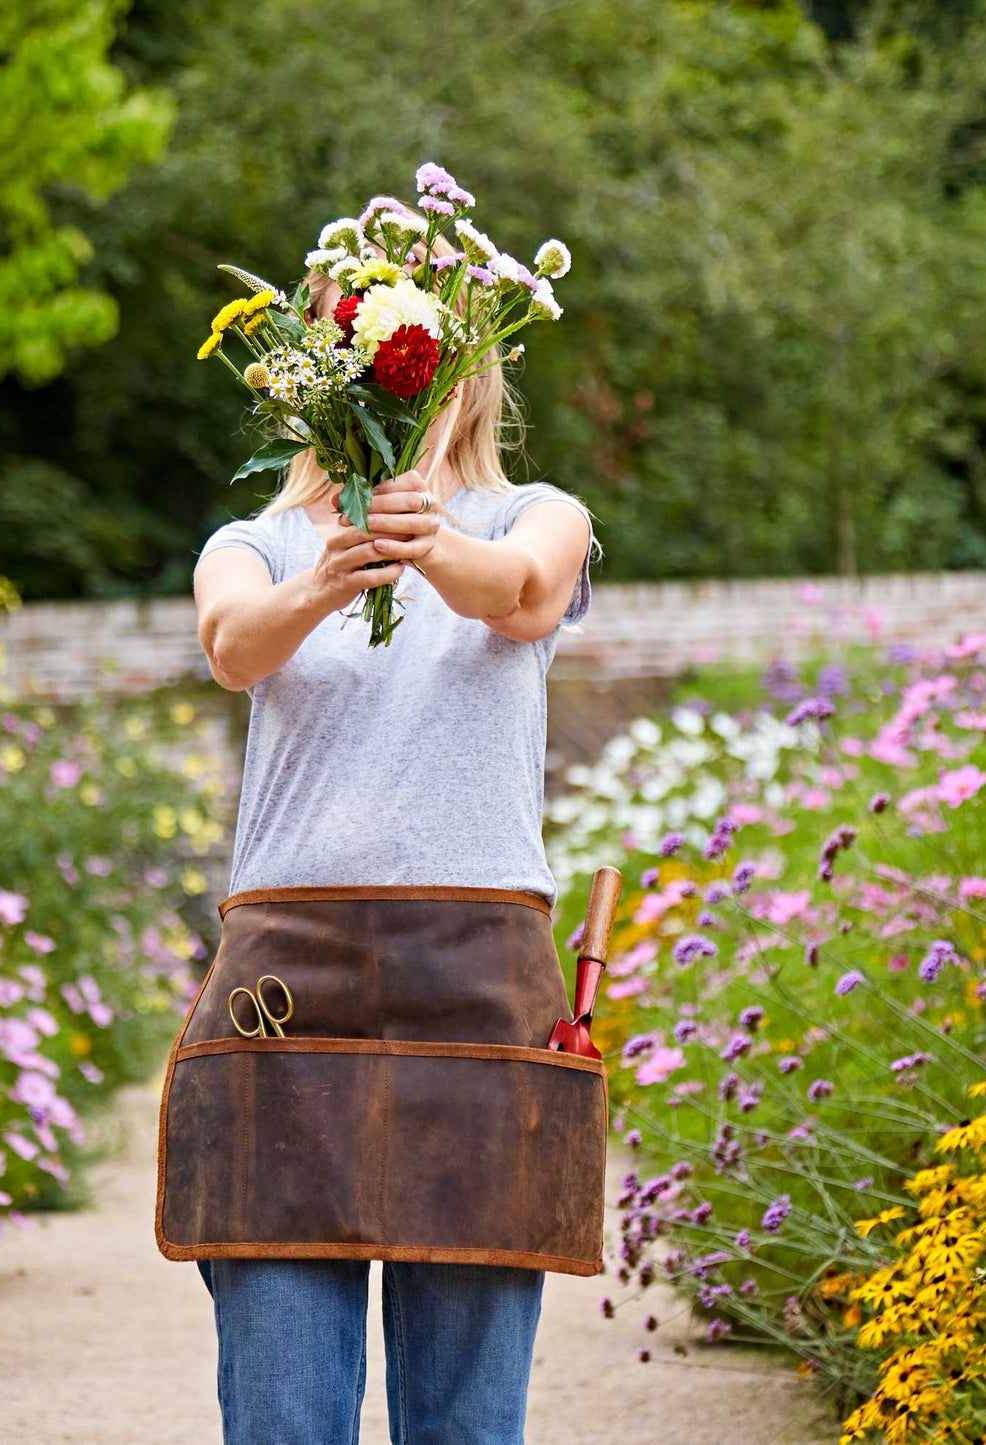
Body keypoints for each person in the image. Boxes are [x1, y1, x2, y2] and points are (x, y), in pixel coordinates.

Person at [182, 218, 602, 1445]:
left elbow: (520, 599)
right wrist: (330, 571)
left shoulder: (537, 512)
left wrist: (427, 544)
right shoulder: (253, 542)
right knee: (280, 1415)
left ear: (453, 362)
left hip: (475, 986)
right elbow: (231, 646)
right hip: (284, 990)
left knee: (468, 1424)